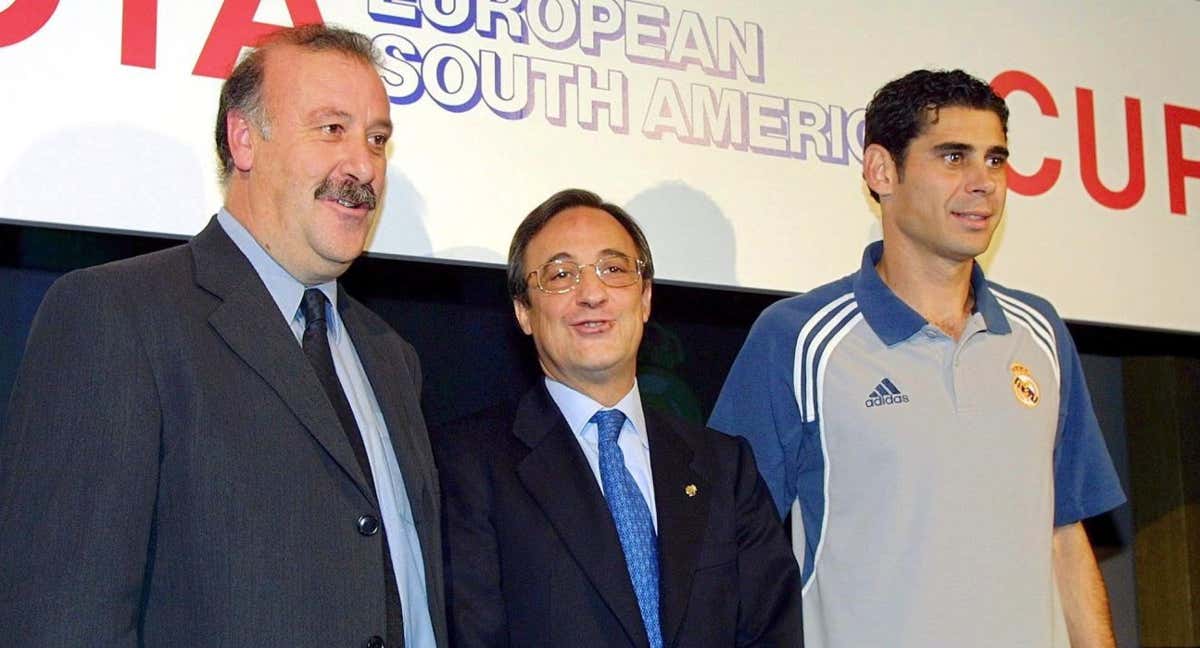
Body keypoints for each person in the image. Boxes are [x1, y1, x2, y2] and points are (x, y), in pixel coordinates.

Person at [0, 25, 445, 648]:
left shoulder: (391, 358)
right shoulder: (118, 315)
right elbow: (60, 618)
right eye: (331, 129)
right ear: (245, 140)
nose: (364, 166)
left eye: (377, 139)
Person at [710, 69, 1126, 648]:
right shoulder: (798, 338)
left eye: (996, 160)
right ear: (882, 171)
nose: (984, 182)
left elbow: (1065, 534)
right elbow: (725, 551)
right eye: (954, 157)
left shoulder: (1040, 332)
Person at [434, 189, 802, 647]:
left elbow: (773, 632)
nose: (592, 294)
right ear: (523, 311)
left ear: (645, 298)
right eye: (561, 274)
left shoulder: (725, 468)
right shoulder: (470, 465)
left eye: (613, 269)